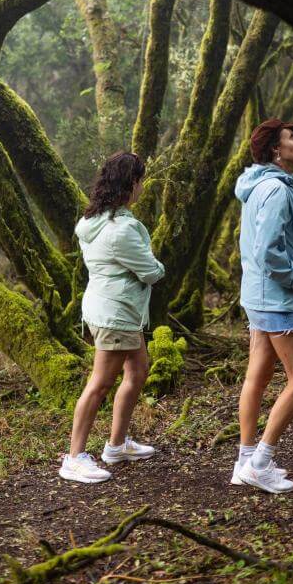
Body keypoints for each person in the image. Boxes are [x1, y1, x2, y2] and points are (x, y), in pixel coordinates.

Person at [59, 151, 165, 484]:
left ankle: (116, 445)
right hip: (115, 313)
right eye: (140, 180)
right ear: (130, 184)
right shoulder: (121, 230)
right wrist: (157, 265)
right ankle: (74, 458)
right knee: (100, 383)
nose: (143, 186)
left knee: (137, 371)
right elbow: (151, 272)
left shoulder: (96, 221)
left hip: (115, 309)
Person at [231, 118, 293, 494]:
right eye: (291, 137)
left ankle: (245, 461)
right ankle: (260, 462)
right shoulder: (277, 191)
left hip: (259, 296)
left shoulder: (259, 186)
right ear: (275, 151)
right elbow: (268, 252)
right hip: (278, 299)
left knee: (259, 375)